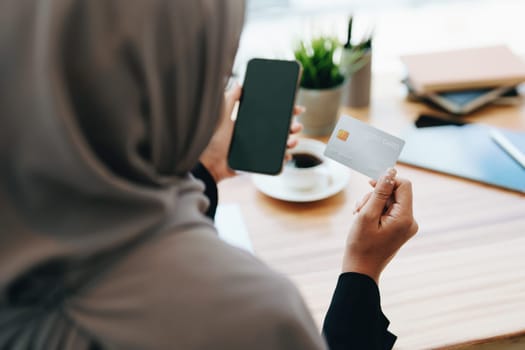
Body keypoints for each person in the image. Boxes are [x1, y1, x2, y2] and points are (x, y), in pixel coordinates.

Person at [0, 1, 418, 349]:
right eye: (219, 76)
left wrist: (206, 169)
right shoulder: (248, 318)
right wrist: (361, 271)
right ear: (179, 94)